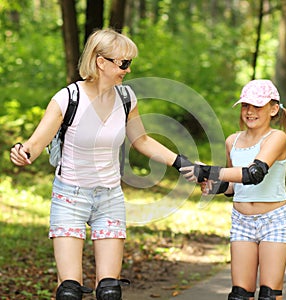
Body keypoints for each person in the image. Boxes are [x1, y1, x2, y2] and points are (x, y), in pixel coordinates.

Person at [10, 28, 192, 300]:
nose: (128, 70)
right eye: (124, 63)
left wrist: (181, 162)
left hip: (109, 197)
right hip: (70, 196)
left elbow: (141, 140)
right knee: (69, 291)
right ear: (100, 61)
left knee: (109, 290)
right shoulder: (68, 98)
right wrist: (22, 153)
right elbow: (35, 144)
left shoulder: (126, 98)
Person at [181, 79, 286, 300]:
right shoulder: (232, 141)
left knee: (269, 294)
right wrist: (213, 185)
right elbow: (234, 186)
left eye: (257, 106)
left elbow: (254, 174)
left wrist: (208, 171)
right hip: (242, 221)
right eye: (245, 106)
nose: (250, 112)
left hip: (273, 220)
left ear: (273, 109)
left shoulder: (276, 137)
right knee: (239, 294)